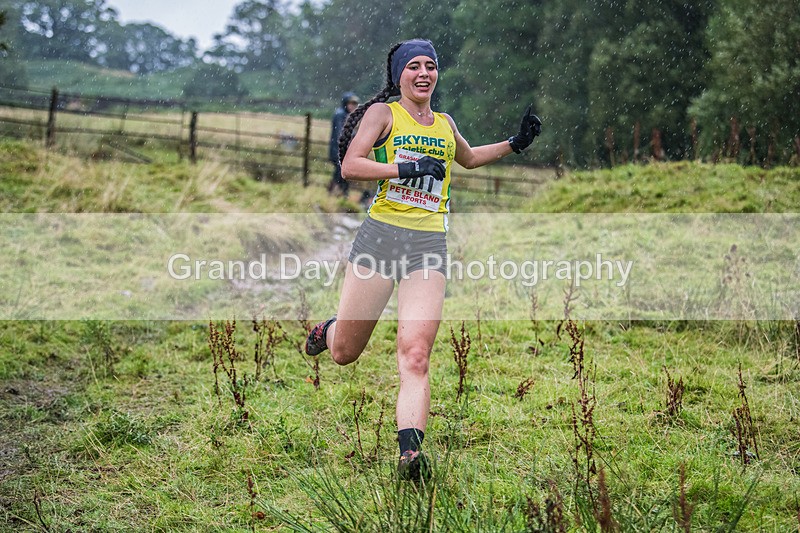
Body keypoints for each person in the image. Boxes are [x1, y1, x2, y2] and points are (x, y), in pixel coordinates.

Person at [305, 39, 541, 480]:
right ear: (398, 76)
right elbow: (351, 166)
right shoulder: (382, 115)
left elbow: (468, 159)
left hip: (427, 247)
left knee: (415, 355)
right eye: (412, 66)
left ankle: (409, 456)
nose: (422, 73)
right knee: (344, 353)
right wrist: (405, 169)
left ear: (437, 75)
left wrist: (515, 143)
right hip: (380, 240)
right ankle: (329, 328)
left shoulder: (445, 123)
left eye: (430, 66)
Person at [328, 92, 360, 196]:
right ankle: (340, 193)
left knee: (340, 172)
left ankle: (337, 192)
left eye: (355, 104)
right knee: (341, 172)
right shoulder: (341, 115)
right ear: (345, 103)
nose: (353, 106)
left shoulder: (344, 114)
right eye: (351, 103)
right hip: (338, 150)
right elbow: (341, 133)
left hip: (340, 149)